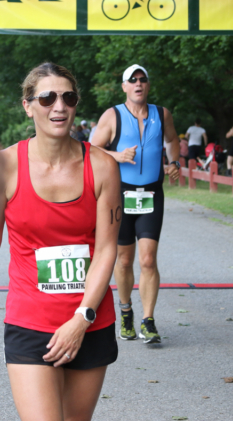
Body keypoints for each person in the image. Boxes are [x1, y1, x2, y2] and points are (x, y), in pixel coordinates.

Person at [0, 62, 121, 421]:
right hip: (30, 320)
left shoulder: (102, 167)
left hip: (89, 319)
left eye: (68, 97)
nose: (59, 106)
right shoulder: (7, 165)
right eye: (47, 97)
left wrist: (81, 319)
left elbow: (106, 250)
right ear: (28, 105)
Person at [92, 64, 180, 344]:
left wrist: (174, 161)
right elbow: (93, 150)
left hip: (152, 194)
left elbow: (173, 139)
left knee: (148, 259)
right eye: (133, 80)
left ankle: (149, 320)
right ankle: (127, 310)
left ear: (148, 85)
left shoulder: (161, 114)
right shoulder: (113, 115)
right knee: (125, 259)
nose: (139, 83)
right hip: (120, 195)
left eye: (143, 79)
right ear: (124, 87)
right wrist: (117, 156)